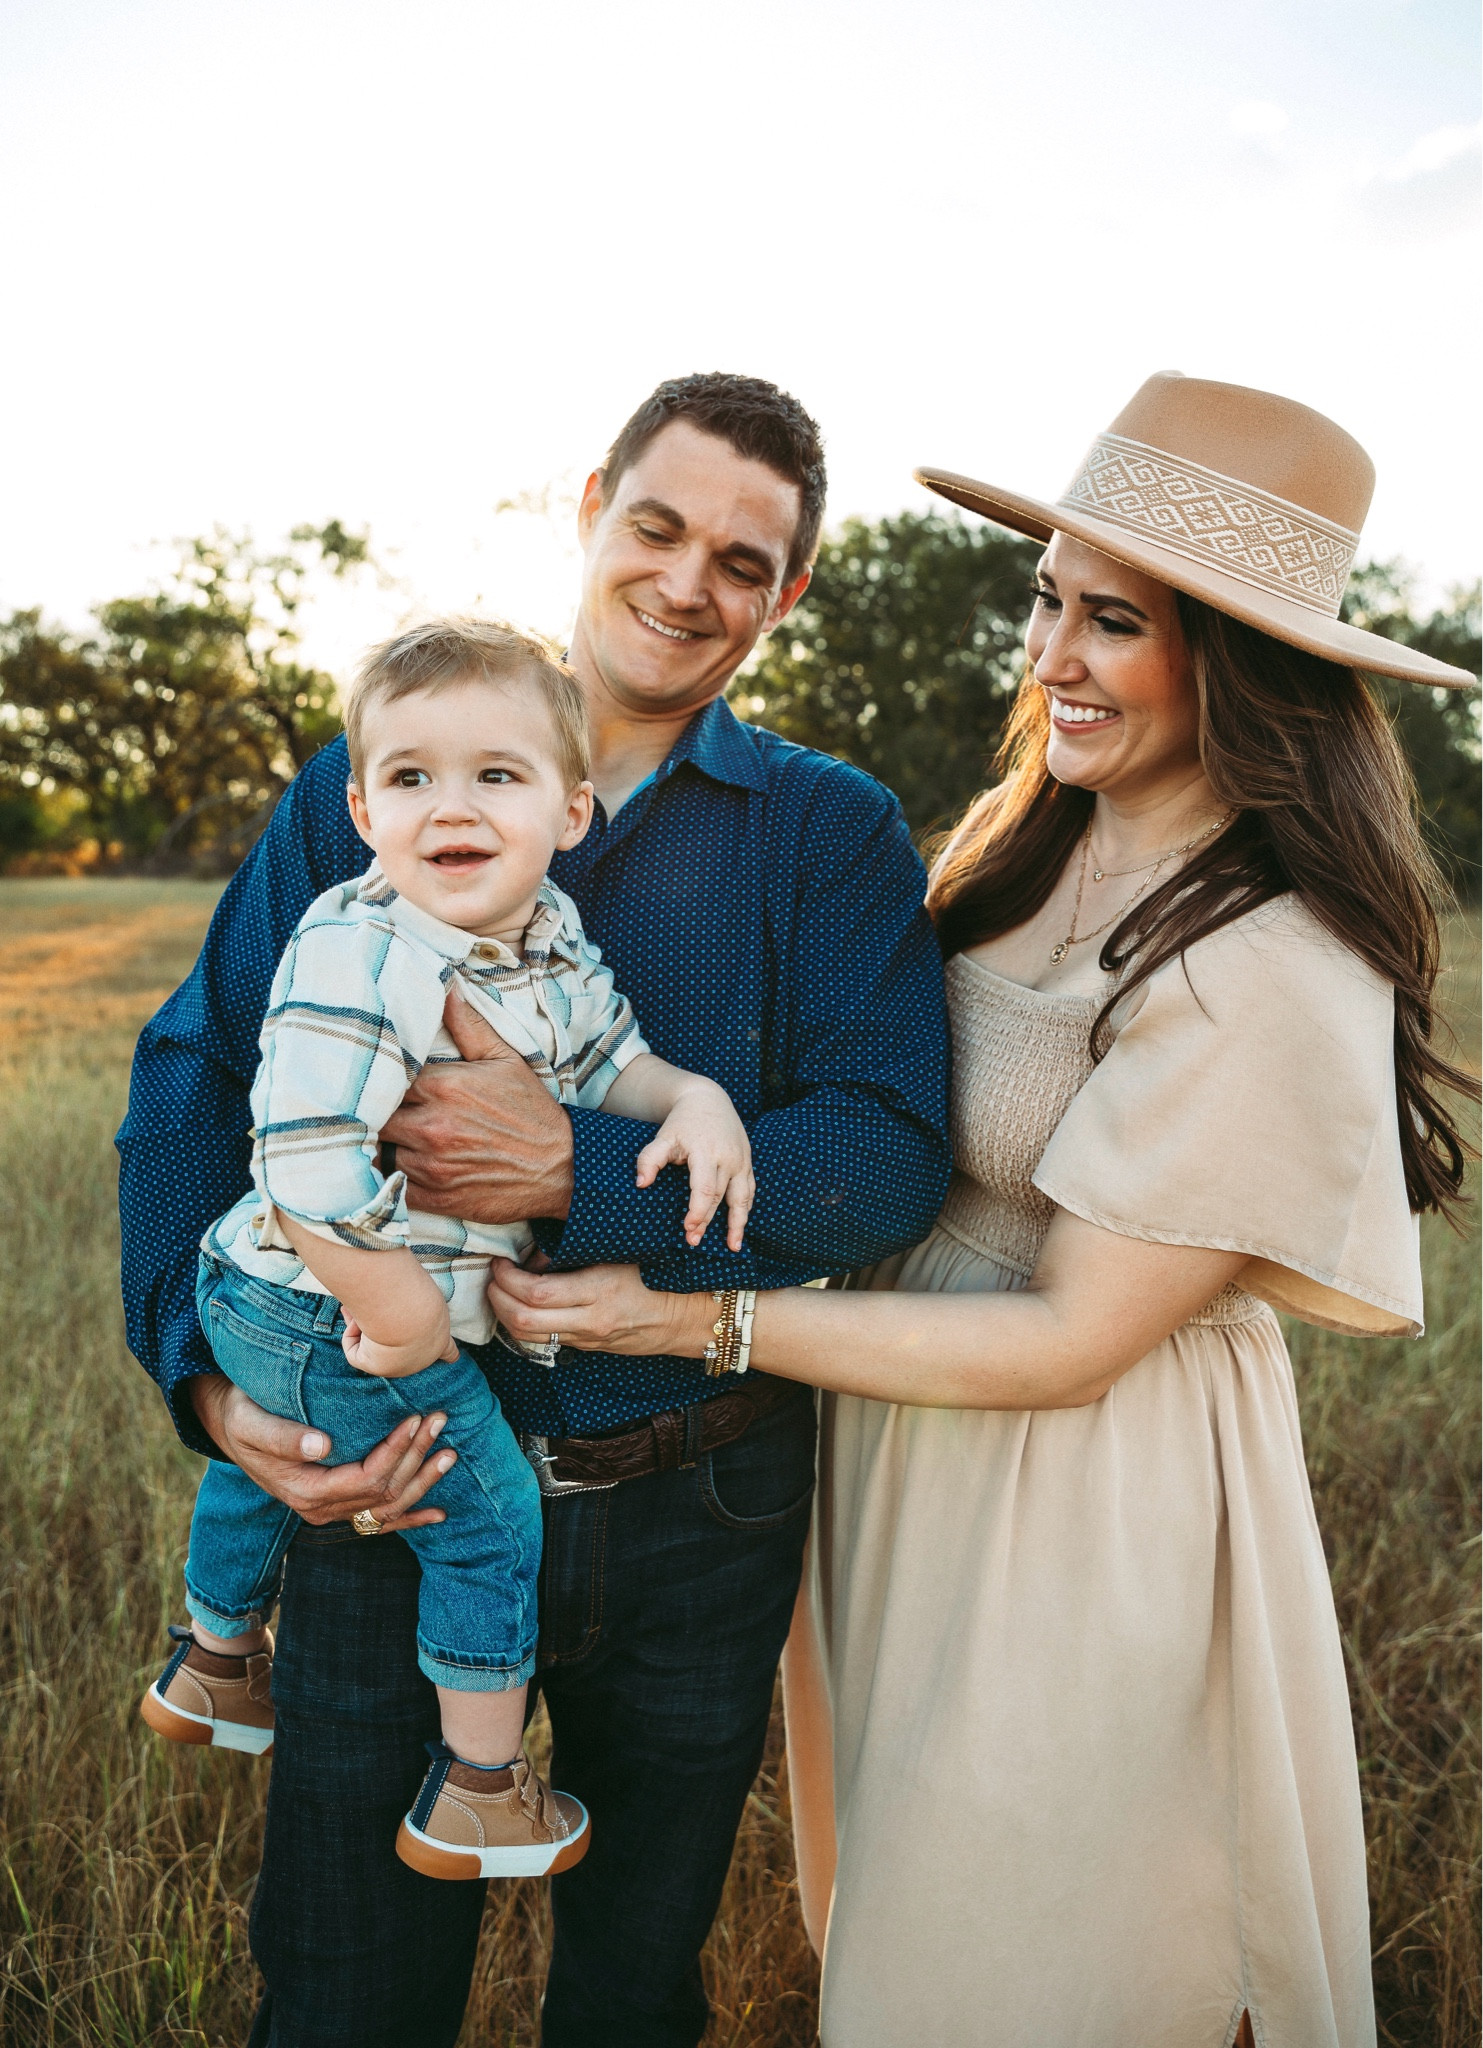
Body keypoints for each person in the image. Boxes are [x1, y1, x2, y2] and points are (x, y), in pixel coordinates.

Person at [492, 374, 1477, 2048]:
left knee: (1042, 1958)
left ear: (1233, 666)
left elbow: (1070, 1336)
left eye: (1111, 622)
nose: (1048, 656)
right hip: (907, 1462)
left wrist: (696, 1316)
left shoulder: (1269, 959)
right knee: (907, 1933)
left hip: (1080, 1509)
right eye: (1046, 602)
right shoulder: (1025, 843)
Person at [117, 372, 953, 2047]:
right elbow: (198, 1071)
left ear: (784, 595)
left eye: (741, 558)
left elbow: (883, 1147)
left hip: (696, 1496)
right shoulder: (375, 774)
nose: (684, 580)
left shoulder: (826, 829)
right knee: (346, 1982)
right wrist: (210, 1383)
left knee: (634, 1992)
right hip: (395, 1476)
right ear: (589, 506)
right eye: (657, 524)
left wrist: (569, 1162)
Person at [142, 617, 760, 1884]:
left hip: (312, 1298)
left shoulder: (554, 946)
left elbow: (610, 1066)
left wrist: (693, 1098)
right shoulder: (359, 944)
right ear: (360, 807)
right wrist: (410, 1313)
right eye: (412, 777)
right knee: (484, 1510)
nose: (451, 806)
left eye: (497, 774)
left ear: (569, 808)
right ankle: (482, 1789)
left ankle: (213, 1658)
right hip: (318, 1292)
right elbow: (305, 1158)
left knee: (274, 1457)